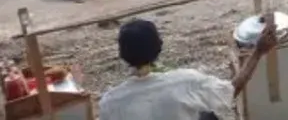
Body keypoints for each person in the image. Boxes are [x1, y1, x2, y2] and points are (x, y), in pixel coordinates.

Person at [97, 18, 277, 120]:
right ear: (159, 46)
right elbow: (232, 89)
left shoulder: (110, 103)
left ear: (122, 54)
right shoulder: (186, 82)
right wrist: (258, 52)